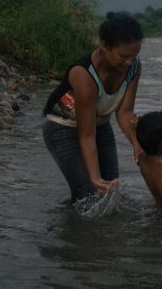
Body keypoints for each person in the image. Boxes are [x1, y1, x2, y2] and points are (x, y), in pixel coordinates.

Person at [43, 12, 144, 203]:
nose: (129, 62)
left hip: (99, 125)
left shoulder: (133, 68)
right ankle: (67, 227)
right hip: (62, 128)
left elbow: (124, 112)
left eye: (134, 55)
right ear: (105, 46)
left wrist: (137, 145)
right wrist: (95, 178)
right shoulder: (83, 75)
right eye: (123, 56)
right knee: (87, 193)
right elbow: (86, 135)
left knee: (111, 191)